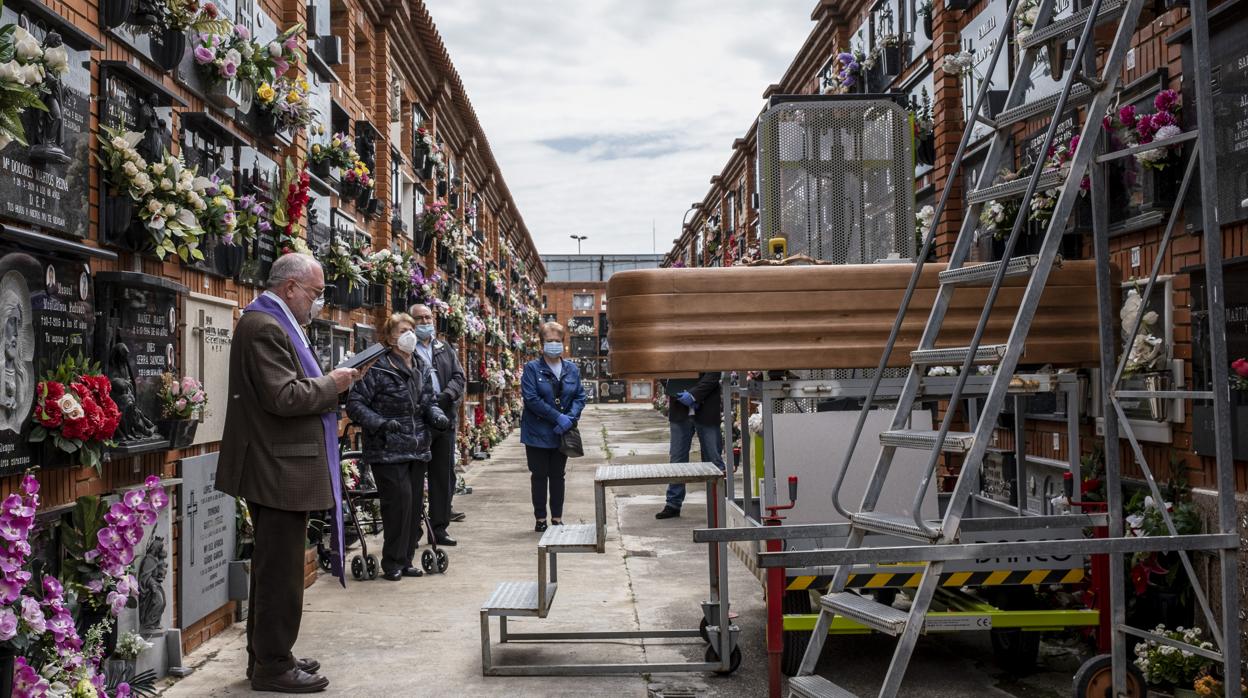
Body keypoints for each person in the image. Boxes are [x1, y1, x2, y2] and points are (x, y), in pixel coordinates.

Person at [216, 253, 361, 693]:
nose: (317, 303)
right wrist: (333, 385)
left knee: (273, 566)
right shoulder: (264, 326)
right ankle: (273, 666)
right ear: (290, 288)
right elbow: (283, 395)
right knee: (280, 573)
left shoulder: (275, 323)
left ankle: (267, 654)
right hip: (275, 466)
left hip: (279, 463)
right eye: (315, 294)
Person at [346, 312, 449, 581]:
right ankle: (391, 562)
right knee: (399, 503)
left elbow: (428, 401)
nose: (410, 334)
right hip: (387, 447)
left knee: (414, 506)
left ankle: (405, 560)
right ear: (390, 336)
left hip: (416, 445)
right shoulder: (378, 368)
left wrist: (436, 414)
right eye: (403, 329)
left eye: (412, 328)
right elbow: (355, 404)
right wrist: (380, 423)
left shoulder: (421, 366)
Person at [408, 302, 466, 546]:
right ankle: (412, 530)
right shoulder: (407, 349)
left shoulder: (445, 348)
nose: (425, 322)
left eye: (428, 317)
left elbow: (458, 376)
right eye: (419, 319)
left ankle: (439, 528)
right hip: (418, 420)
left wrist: (447, 395)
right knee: (414, 476)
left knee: (443, 476)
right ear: (411, 324)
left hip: (444, 419)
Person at [520, 321, 586, 532]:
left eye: (557, 341)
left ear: (563, 344)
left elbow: (579, 396)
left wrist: (571, 417)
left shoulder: (571, 369)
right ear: (541, 344)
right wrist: (557, 417)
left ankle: (557, 518)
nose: (554, 345)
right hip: (537, 432)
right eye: (549, 341)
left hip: (562, 433)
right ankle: (540, 519)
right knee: (539, 476)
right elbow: (531, 398)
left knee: (558, 476)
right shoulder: (532, 369)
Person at [655, 372, 726, 519]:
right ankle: (673, 504)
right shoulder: (673, 348)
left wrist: (694, 395)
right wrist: (676, 390)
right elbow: (663, 370)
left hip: (706, 406)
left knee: (713, 460)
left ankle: (720, 503)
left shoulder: (709, 348)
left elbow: (713, 372)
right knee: (677, 460)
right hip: (680, 406)